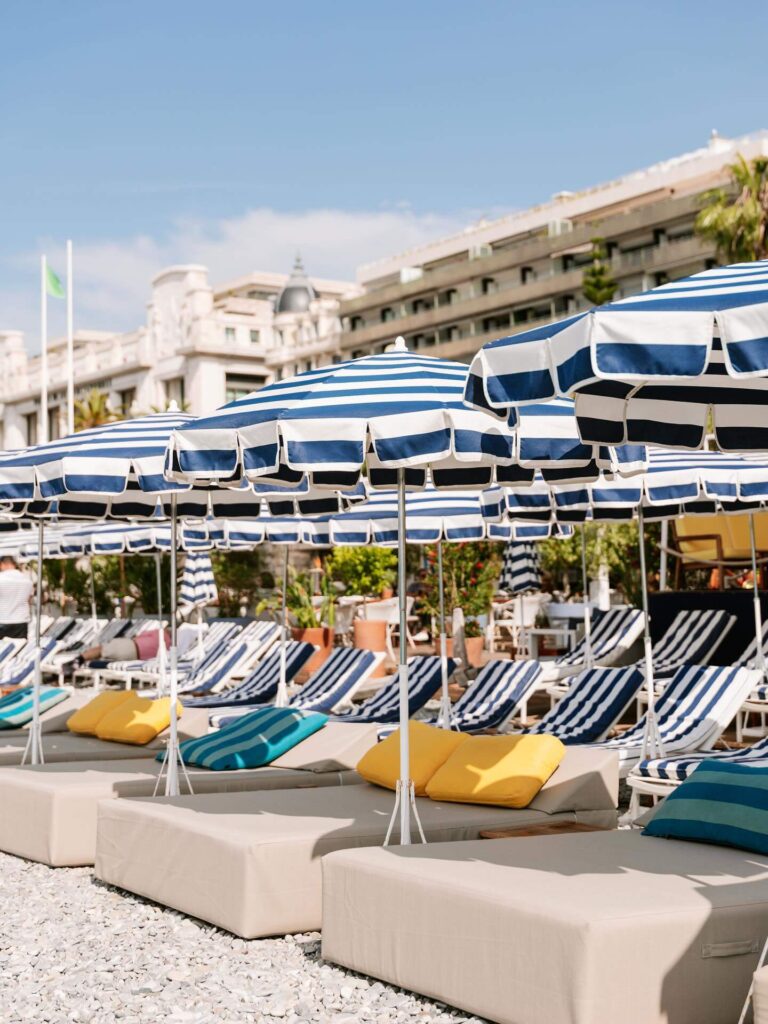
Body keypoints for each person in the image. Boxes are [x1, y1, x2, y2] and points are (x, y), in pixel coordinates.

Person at [0, 555, 33, 640]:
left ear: (2, 564)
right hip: (21, 621)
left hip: (3, 620)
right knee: (20, 650)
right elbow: (29, 600)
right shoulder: (27, 580)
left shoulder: (1, 579)